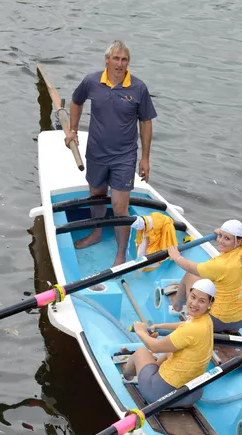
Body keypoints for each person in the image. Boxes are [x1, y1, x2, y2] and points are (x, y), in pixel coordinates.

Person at [64, 40, 157, 267]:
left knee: (119, 205)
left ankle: (121, 254)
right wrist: (73, 130)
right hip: (96, 151)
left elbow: (145, 123)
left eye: (124, 60)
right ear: (106, 60)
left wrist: (145, 158)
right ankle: (96, 234)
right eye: (115, 58)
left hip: (124, 156)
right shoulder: (91, 81)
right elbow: (76, 102)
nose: (119, 64)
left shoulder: (138, 88)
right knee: (96, 195)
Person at [123, 279, 216, 406]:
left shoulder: (189, 330)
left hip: (159, 396)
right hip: (191, 394)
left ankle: (127, 376)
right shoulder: (206, 320)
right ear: (189, 295)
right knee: (170, 350)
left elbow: (155, 347)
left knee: (141, 352)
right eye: (193, 297)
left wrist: (141, 331)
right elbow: (186, 323)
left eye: (202, 301)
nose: (194, 303)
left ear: (210, 303)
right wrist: (161, 326)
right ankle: (151, 369)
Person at [166, 219, 242, 332]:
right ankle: (232, 330)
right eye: (220, 236)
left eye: (226, 238)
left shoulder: (218, 265)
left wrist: (176, 256)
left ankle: (177, 306)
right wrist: (224, 233)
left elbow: (190, 267)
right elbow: (231, 239)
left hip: (215, 321)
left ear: (239, 241)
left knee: (190, 275)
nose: (220, 241)